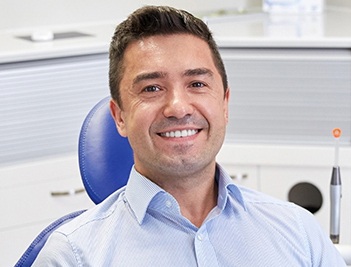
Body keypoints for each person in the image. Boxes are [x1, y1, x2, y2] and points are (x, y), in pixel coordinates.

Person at [33, 5, 346, 266]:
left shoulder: (298, 232)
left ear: (224, 104)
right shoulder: (73, 255)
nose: (178, 107)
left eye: (197, 84)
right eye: (151, 88)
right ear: (120, 117)